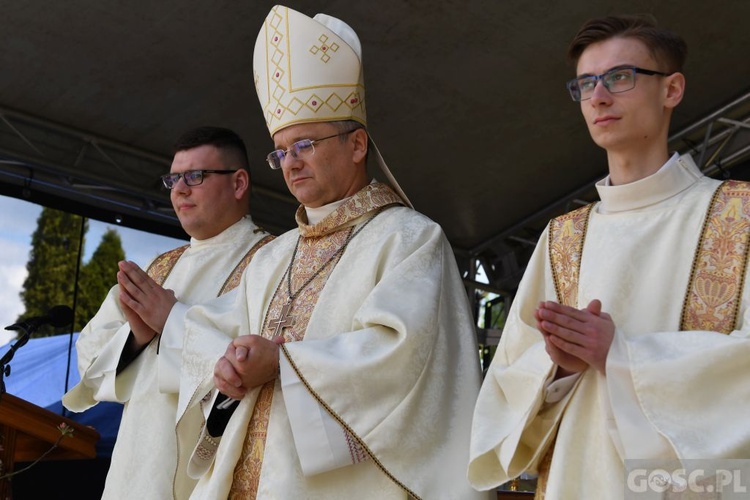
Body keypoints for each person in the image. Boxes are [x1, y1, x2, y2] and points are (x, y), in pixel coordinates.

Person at [117, 6, 486, 499]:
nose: (290, 164)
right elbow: (222, 344)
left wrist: (285, 365)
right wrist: (225, 369)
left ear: (357, 145)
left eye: (305, 144)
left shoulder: (409, 239)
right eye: (280, 151)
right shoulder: (272, 258)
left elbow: (404, 363)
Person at [468, 14, 750, 498]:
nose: (598, 97)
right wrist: (555, 368)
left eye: (620, 77)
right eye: (584, 84)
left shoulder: (739, 214)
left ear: (672, 89)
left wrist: (622, 355)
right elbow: (506, 380)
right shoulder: (562, 239)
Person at [63, 126, 273, 500]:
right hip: (132, 471)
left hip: (211, 477)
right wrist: (137, 338)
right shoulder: (159, 269)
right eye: (173, 179)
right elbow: (89, 362)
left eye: (195, 176)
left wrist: (173, 320)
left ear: (239, 183)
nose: (179, 190)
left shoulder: (272, 263)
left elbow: (261, 363)